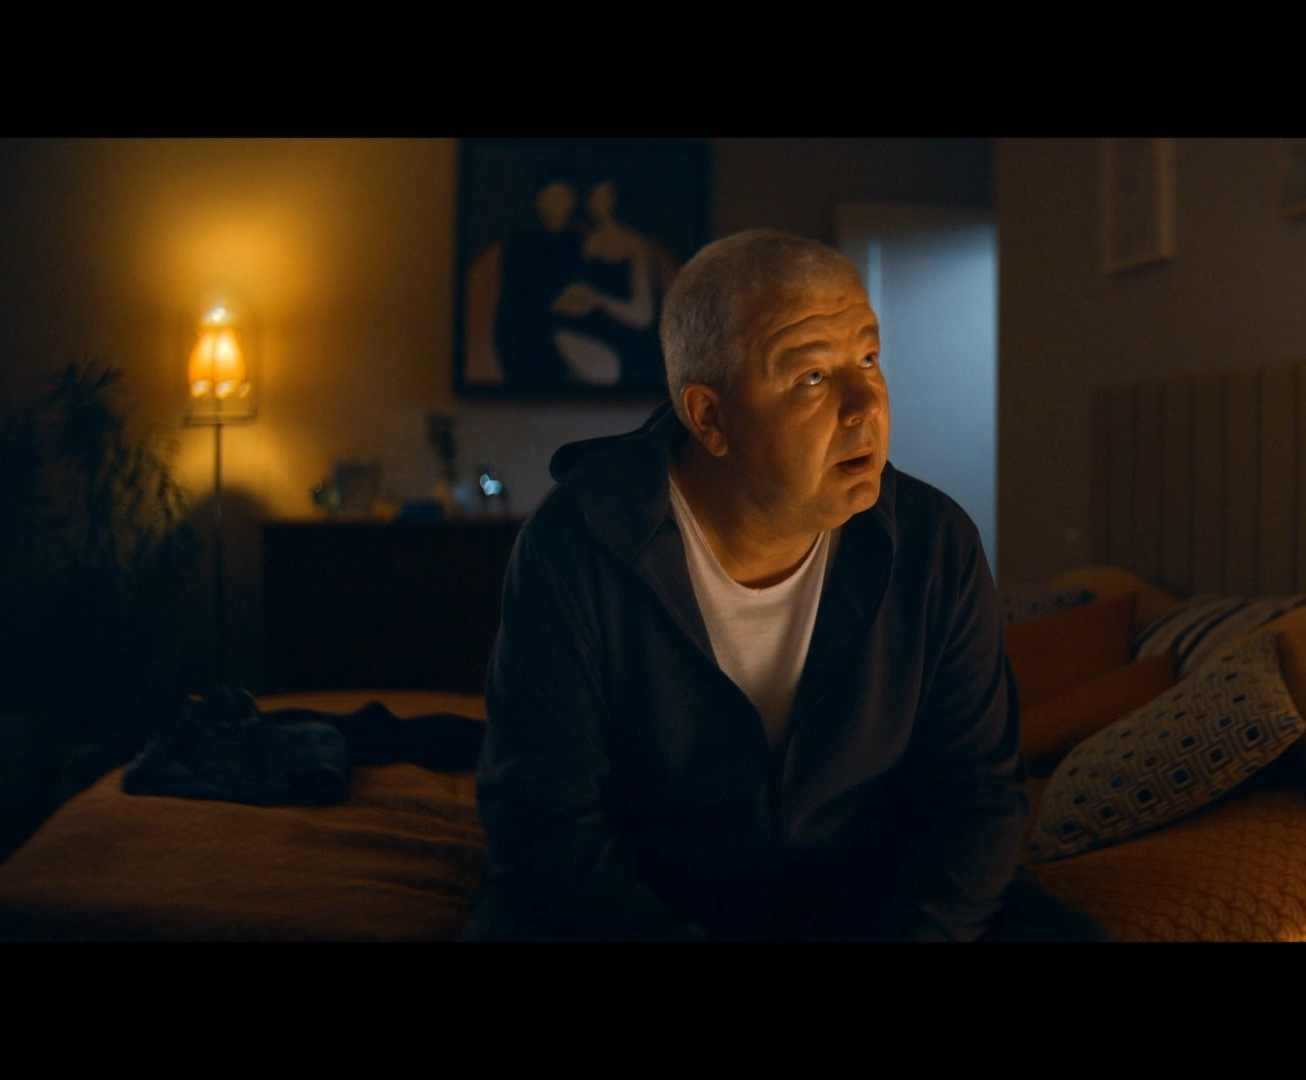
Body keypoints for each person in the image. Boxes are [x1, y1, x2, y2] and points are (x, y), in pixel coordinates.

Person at [464, 229, 1109, 941]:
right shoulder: (579, 541)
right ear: (710, 417)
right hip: (650, 898)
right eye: (811, 377)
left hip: (870, 900)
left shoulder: (934, 542)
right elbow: (544, 821)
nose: (865, 405)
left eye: (869, 358)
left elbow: (981, 795)